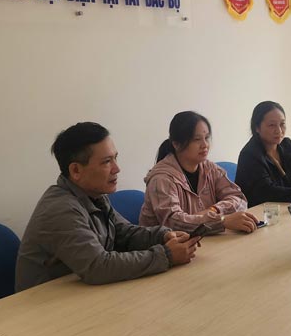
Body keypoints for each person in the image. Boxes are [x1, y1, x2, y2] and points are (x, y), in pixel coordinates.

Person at [15, 122, 200, 292]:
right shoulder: (60, 208)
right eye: (106, 162)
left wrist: (164, 235)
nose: (116, 169)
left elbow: (125, 234)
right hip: (42, 309)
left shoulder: (95, 196)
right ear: (76, 171)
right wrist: (166, 255)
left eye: (115, 158)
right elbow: (98, 266)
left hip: (80, 294)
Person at [139, 111, 259, 233]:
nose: (205, 145)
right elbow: (173, 222)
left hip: (203, 240)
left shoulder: (210, 169)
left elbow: (239, 199)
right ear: (176, 144)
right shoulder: (162, 179)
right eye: (197, 139)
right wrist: (221, 221)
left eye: (206, 138)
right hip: (165, 247)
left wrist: (213, 210)